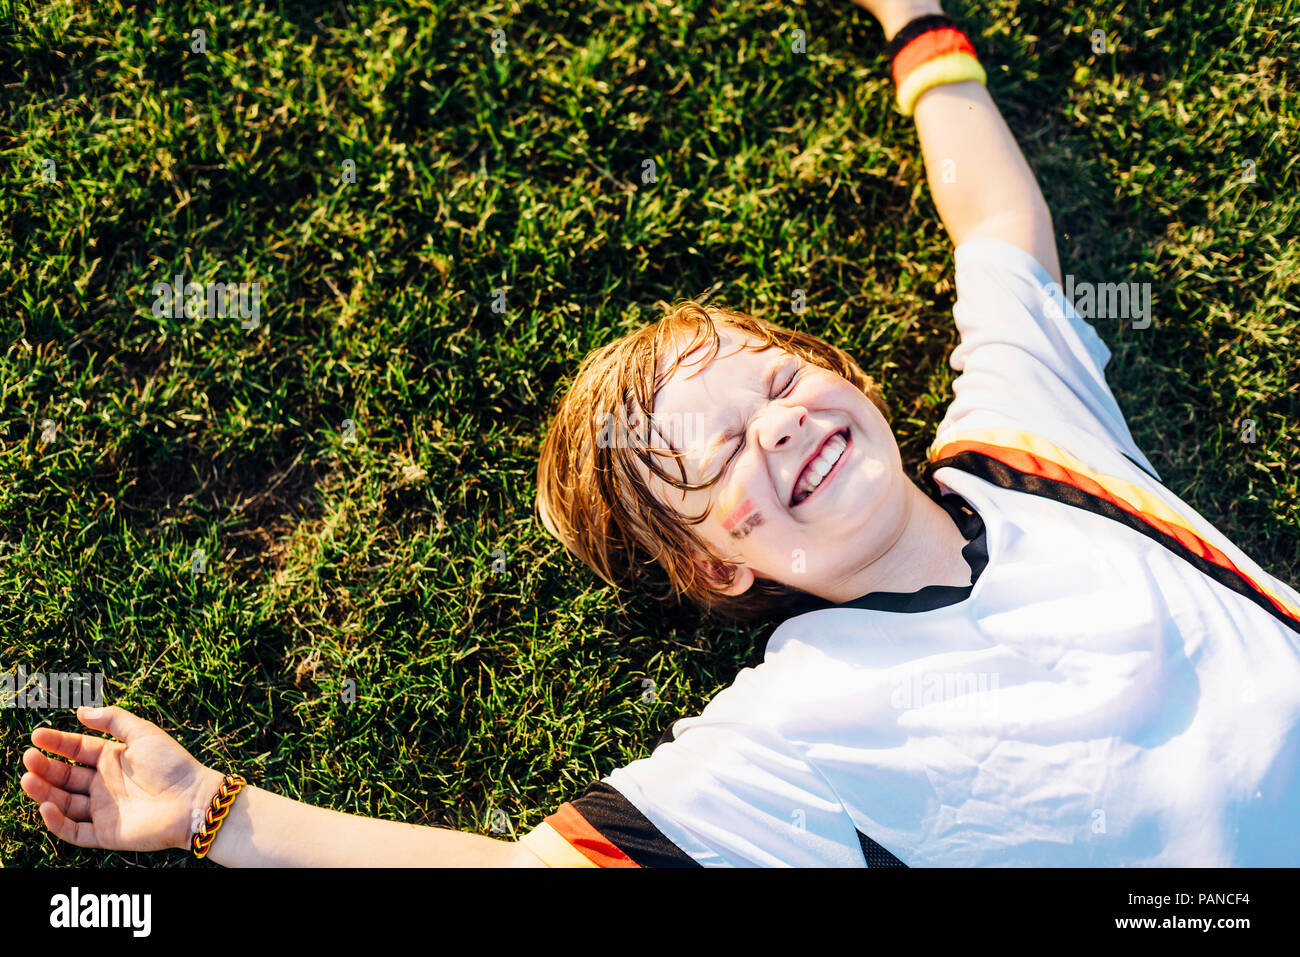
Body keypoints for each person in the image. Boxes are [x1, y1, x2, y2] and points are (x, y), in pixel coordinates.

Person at [20, 0, 1300, 867]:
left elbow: (998, 234)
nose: (776, 431)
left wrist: (918, 22)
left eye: (775, 384)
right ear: (713, 567)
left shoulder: (1030, 438)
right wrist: (214, 815)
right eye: (715, 459)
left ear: (841, 374)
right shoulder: (798, 731)